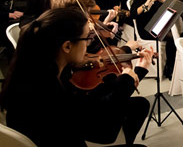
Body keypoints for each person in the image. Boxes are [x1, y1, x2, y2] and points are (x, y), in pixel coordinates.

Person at [0, 8, 153, 146]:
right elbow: (105, 131)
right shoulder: (49, 91)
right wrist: (128, 80)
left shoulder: (34, 71)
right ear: (67, 46)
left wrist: (122, 80)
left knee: (138, 105)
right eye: (86, 38)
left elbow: (87, 103)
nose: (88, 45)